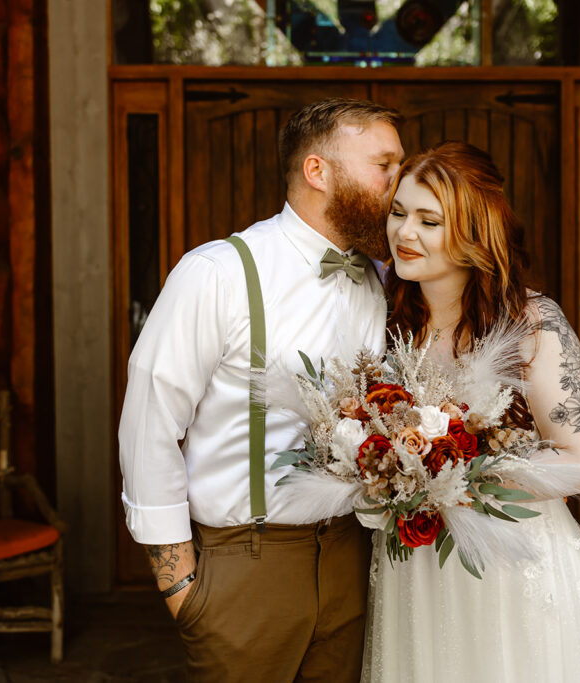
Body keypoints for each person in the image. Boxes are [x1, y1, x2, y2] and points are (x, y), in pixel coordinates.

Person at [363, 141, 580, 682]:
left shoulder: (533, 324)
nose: (403, 233)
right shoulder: (383, 322)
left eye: (428, 220)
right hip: (414, 567)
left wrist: (452, 475)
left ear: (473, 232)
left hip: (514, 561)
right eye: (398, 212)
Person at [118, 98, 405, 682]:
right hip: (244, 566)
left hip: (354, 560)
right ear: (318, 171)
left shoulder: (385, 279)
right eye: (385, 165)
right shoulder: (217, 273)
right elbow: (148, 428)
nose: (399, 185)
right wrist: (180, 585)